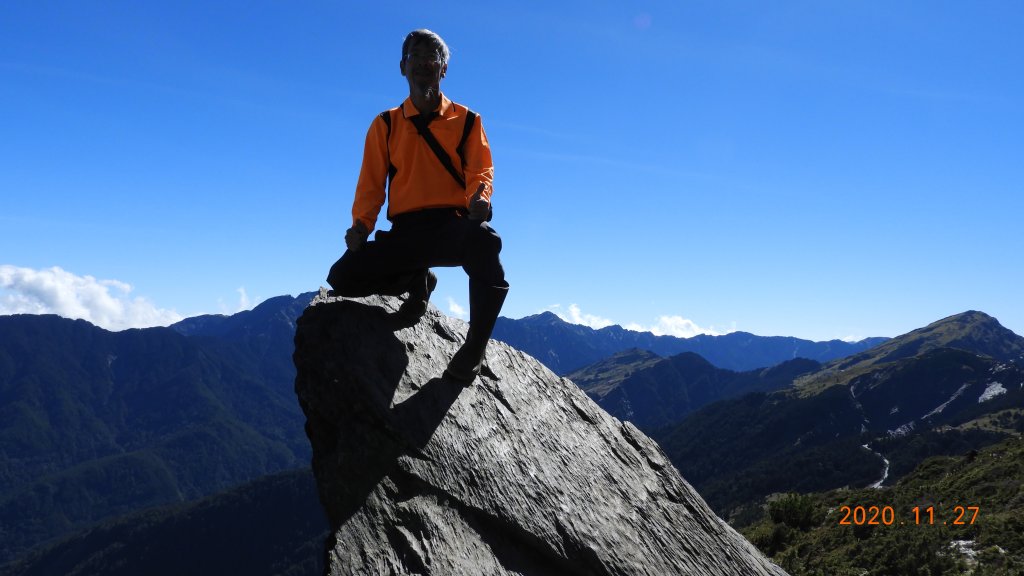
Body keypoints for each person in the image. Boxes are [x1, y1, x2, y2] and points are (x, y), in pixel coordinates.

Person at [327, 29, 509, 384]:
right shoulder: (386, 124)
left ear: (444, 70)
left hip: (452, 226)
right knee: (342, 277)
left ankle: (474, 348)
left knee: (486, 243)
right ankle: (417, 278)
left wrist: (480, 198)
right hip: (407, 232)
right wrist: (362, 225)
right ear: (402, 67)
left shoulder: (468, 121)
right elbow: (371, 183)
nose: (423, 64)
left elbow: (480, 170)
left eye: (432, 58)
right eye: (415, 57)